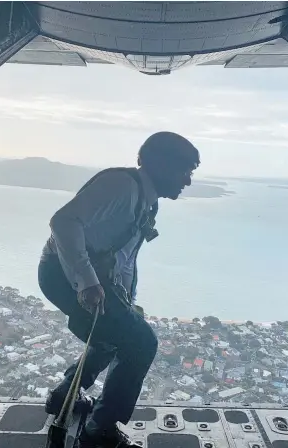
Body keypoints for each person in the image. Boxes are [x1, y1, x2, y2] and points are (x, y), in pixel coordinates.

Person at [38, 131, 200, 448]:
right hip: (62, 273)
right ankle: (100, 431)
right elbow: (63, 222)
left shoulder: (144, 199)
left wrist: (125, 300)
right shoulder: (122, 186)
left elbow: (122, 257)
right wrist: (87, 282)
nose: (188, 181)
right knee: (141, 343)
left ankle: (63, 397)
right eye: (186, 171)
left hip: (74, 275)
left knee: (114, 335)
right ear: (164, 166)